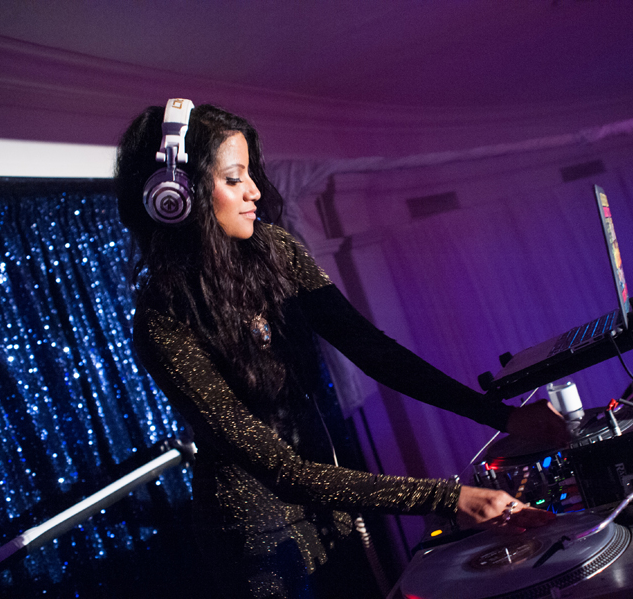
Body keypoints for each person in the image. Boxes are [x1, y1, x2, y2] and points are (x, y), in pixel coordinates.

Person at [114, 99, 570, 599]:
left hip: (329, 499)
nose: (254, 192)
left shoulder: (277, 251)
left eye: (250, 175)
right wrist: (447, 496)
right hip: (255, 536)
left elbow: (373, 350)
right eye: (233, 179)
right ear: (177, 196)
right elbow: (281, 470)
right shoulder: (161, 323)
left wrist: (500, 417)